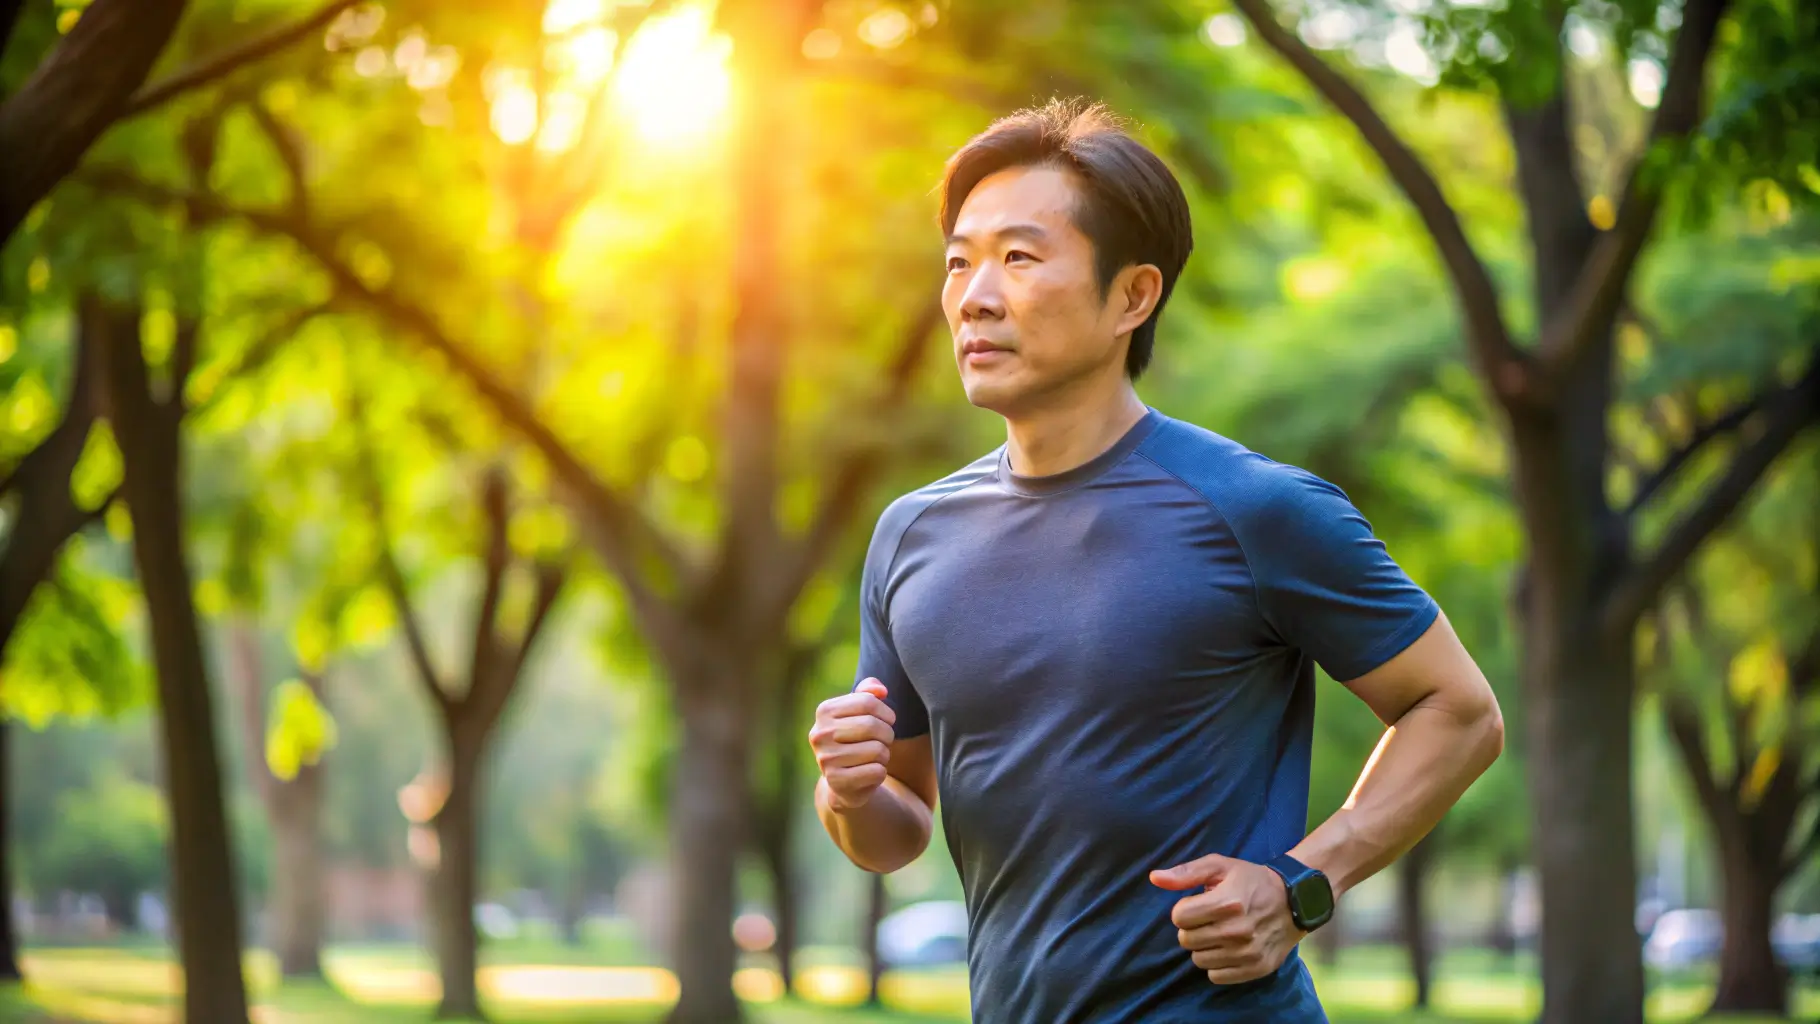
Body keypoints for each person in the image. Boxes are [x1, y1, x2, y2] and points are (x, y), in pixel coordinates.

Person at [808, 98, 1504, 1023]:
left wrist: (1304, 885)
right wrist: (847, 791)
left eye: (1018, 257)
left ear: (1133, 296)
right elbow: (896, 828)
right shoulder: (912, 534)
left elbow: (1458, 710)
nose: (975, 294)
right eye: (958, 261)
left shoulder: (1256, 509)